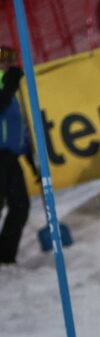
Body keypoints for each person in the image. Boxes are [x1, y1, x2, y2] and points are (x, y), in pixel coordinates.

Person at [0, 45, 38, 264]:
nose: (6, 63)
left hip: (10, 157)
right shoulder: (8, 85)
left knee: (20, 205)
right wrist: (9, 85)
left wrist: (30, 159)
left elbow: (17, 129)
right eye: (2, 58)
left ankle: (5, 255)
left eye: (9, 58)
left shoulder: (11, 88)